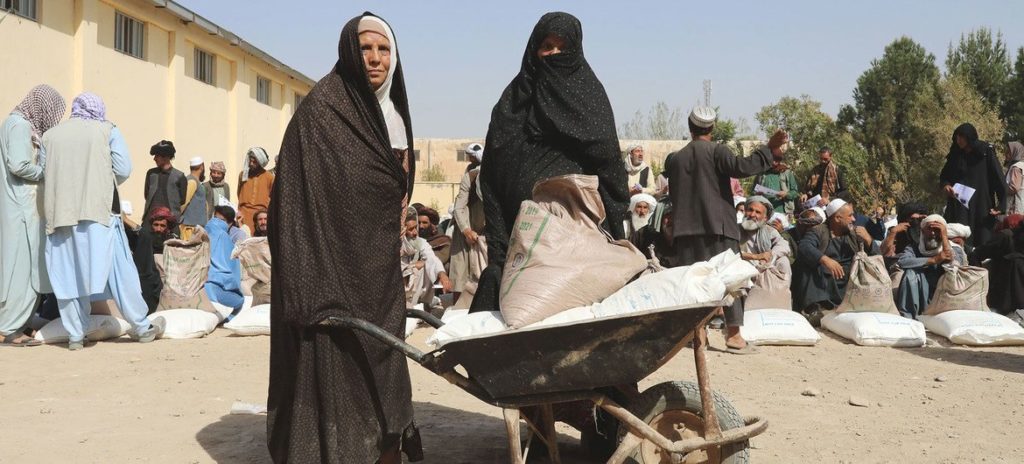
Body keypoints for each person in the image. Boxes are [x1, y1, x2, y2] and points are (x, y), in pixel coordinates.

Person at [267, 13, 423, 464]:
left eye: (384, 49)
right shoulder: (322, 110)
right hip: (329, 265)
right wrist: (306, 271)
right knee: (335, 356)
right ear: (348, 51)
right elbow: (293, 196)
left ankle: (385, 448)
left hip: (378, 268)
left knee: (384, 354)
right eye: (366, 48)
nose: (374, 58)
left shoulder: (394, 116)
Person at [472, 12, 630, 313]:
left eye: (562, 48)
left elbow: (608, 162)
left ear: (576, 51)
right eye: (547, 47)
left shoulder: (589, 98)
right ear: (534, 50)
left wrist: (615, 221)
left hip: (576, 238)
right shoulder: (511, 103)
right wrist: (499, 244)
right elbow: (491, 174)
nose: (554, 55)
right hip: (519, 235)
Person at [665, 105, 788, 352]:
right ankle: (733, 336)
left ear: (690, 127)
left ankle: (695, 334)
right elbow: (742, 167)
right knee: (731, 280)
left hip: (686, 230)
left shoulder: (675, 159)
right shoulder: (717, 151)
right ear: (712, 128)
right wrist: (769, 149)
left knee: (692, 283)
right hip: (718, 227)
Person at [41, 92, 157, 350]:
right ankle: (141, 326)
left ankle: (74, 335)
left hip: (61, 215)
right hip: (99, 213)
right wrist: (100, 180)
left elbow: (43, 172)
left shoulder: (50, 136)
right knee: (120, 271)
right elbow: (123, 168)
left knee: (68, 274)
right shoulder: (107, 130)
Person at [0, 84, 65, 347]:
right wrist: (46, 172)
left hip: (24, 208)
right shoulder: (18, 125)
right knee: (21, 271)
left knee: (27, 270)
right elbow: (18, 165)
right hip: (22, 209)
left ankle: (16, 324)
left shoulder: (20, 125)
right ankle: (8, 328)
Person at [792, 199, 876, 322]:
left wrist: (868, 240)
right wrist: (825, 259)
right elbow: (805, 247)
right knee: (806, 264)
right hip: (823, 280)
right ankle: (814, 309)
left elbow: (877, 256)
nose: (853, 219)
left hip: (848, 279)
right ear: (837, 218)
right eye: (850, 215)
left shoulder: (855, 233)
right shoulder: (819, 230)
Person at [940, 123, 1005, 247]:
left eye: (961, 137)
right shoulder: (955, 155)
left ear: (970, 137)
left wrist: (1000, 206)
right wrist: (946, 185)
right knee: (960, 237)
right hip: (959, 204)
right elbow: (944, 176)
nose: (958, 141)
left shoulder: (985, 152)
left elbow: (998, 179)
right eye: (957, 137)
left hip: (981, 202)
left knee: (982, 238)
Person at [895, 215, 965, 319]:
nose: (933, 233)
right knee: (910, 274)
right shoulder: (914, 248)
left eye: (937, 230)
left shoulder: (955, 248)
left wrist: (945, 239)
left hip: (943, 296)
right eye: (929, 229)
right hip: (920, 295)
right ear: (922, 231)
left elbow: (955, 264)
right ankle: (909, 318)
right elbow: (902, 261)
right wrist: (933, 260)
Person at [449, 143, 486, 303]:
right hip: (464, 230)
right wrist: (466, 230)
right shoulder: (469, 177)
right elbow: (459, 208)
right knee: (460, 276)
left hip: (484, 233)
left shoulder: (494, 177)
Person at [740, 196, 793, 300]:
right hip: (743, 267)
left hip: (764, 268)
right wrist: (756, 256)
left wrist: (770, 257)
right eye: (750, 210)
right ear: (745, 211)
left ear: (765, 218)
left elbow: (783, 245)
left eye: (758, 212)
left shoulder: (768, 231)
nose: (752, 215)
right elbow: (732, 253)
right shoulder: (735, 230)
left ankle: (780, 298)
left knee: (784, 261)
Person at [972, 215, 1024, 315]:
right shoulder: (1007, 237)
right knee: (1016, 261)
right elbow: (976, 255)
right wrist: (979, 283)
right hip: (1005, 299)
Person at [402, 212, 452, 308]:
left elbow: (432, 258)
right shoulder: (394, 244)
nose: (416, 232)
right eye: (411, 229)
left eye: (415, 228)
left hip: (414, 285)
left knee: (424, 267)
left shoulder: (420, 242)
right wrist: (412, 265)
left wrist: (442, 275)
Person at [205, 205, 244, 312]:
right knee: (239, 300)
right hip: (214, 288)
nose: (215, 223)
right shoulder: (209, 236)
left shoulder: (204, 235)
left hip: (204, 286)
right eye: (215, 219)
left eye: (221, 221)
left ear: (230, 223)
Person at [143, 140, 186, 224]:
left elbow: (182, 200)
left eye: (157, 155)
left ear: (165, 156)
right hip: (150, 221)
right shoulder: (151, 174)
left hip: (171, 223)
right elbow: (147, 195)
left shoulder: (180, 176)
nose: (154, 159)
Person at [237, 146, 275, 232]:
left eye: (255, 159)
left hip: (261, 216)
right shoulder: (243, 175)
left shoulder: (269, 177)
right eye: (251, 158)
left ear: (260, 161)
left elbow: (273, 198)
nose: (251, 162)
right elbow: (239, 193)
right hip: (244, 214)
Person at [179, 156, 208, 239]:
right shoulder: (192, 181)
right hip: (190, 228)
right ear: (202, 167)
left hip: (196, 227)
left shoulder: (196, 181)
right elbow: (184, 202)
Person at [416, 206, 451, 271]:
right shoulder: (413, 240)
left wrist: (422, 263)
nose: (421, 226)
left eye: (424, 223)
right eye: (419, 222)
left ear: (432, 224)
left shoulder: (444, 241)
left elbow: (437, 259)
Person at [1004, 141, 1024, 215]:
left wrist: (1002, 188)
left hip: (1015, 209)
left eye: (1008, 152)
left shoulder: (1016, 168)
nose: (1006, 155)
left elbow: (1014, 188)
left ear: (1015, 153)